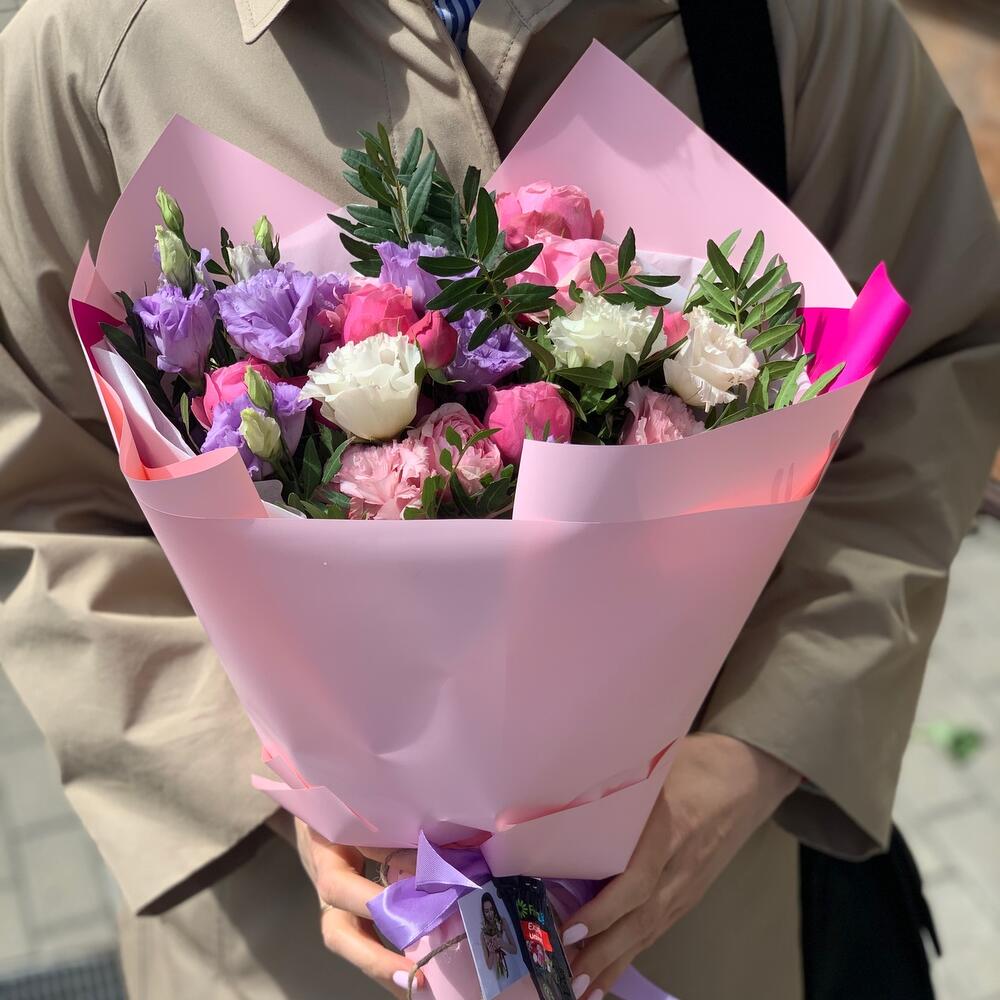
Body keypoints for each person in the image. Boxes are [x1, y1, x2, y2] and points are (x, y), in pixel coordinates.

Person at [0, 1, 998, 998]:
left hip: (691, 917)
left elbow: (928, 382)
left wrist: (753, 750)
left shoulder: (797, 24)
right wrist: (268, 780)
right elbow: (38, 499)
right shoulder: (99, 46)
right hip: (294, 947)